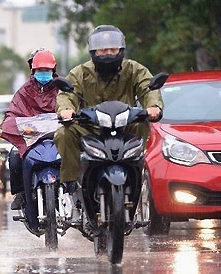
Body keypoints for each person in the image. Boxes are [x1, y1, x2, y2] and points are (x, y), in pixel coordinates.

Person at [54, 25, 163, 198]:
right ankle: (71, 184)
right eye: (103, 50)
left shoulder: (134, 69)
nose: (108, 53)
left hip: (126, 126)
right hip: (90, 127)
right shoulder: (80, 73)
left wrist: (153, 107)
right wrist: (66, 110)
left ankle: (141, 176)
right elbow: (67, 94)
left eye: (113, 49)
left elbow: (148, 88)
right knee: (63, 133)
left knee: (144, 127)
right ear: (93, 52)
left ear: (121, 49)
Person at [0, 49, 59, 210]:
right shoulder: (24, 91)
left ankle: (78, 192)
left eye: (46, 70)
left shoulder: (63, 87)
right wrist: (12, 123)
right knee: (14, 157)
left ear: (53, 70)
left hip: (59, 138)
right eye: (39, 70)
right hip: (32, 139)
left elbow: (74, 106)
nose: (43, 73)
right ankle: (21, 193)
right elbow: (13, 112)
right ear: (33, 70)